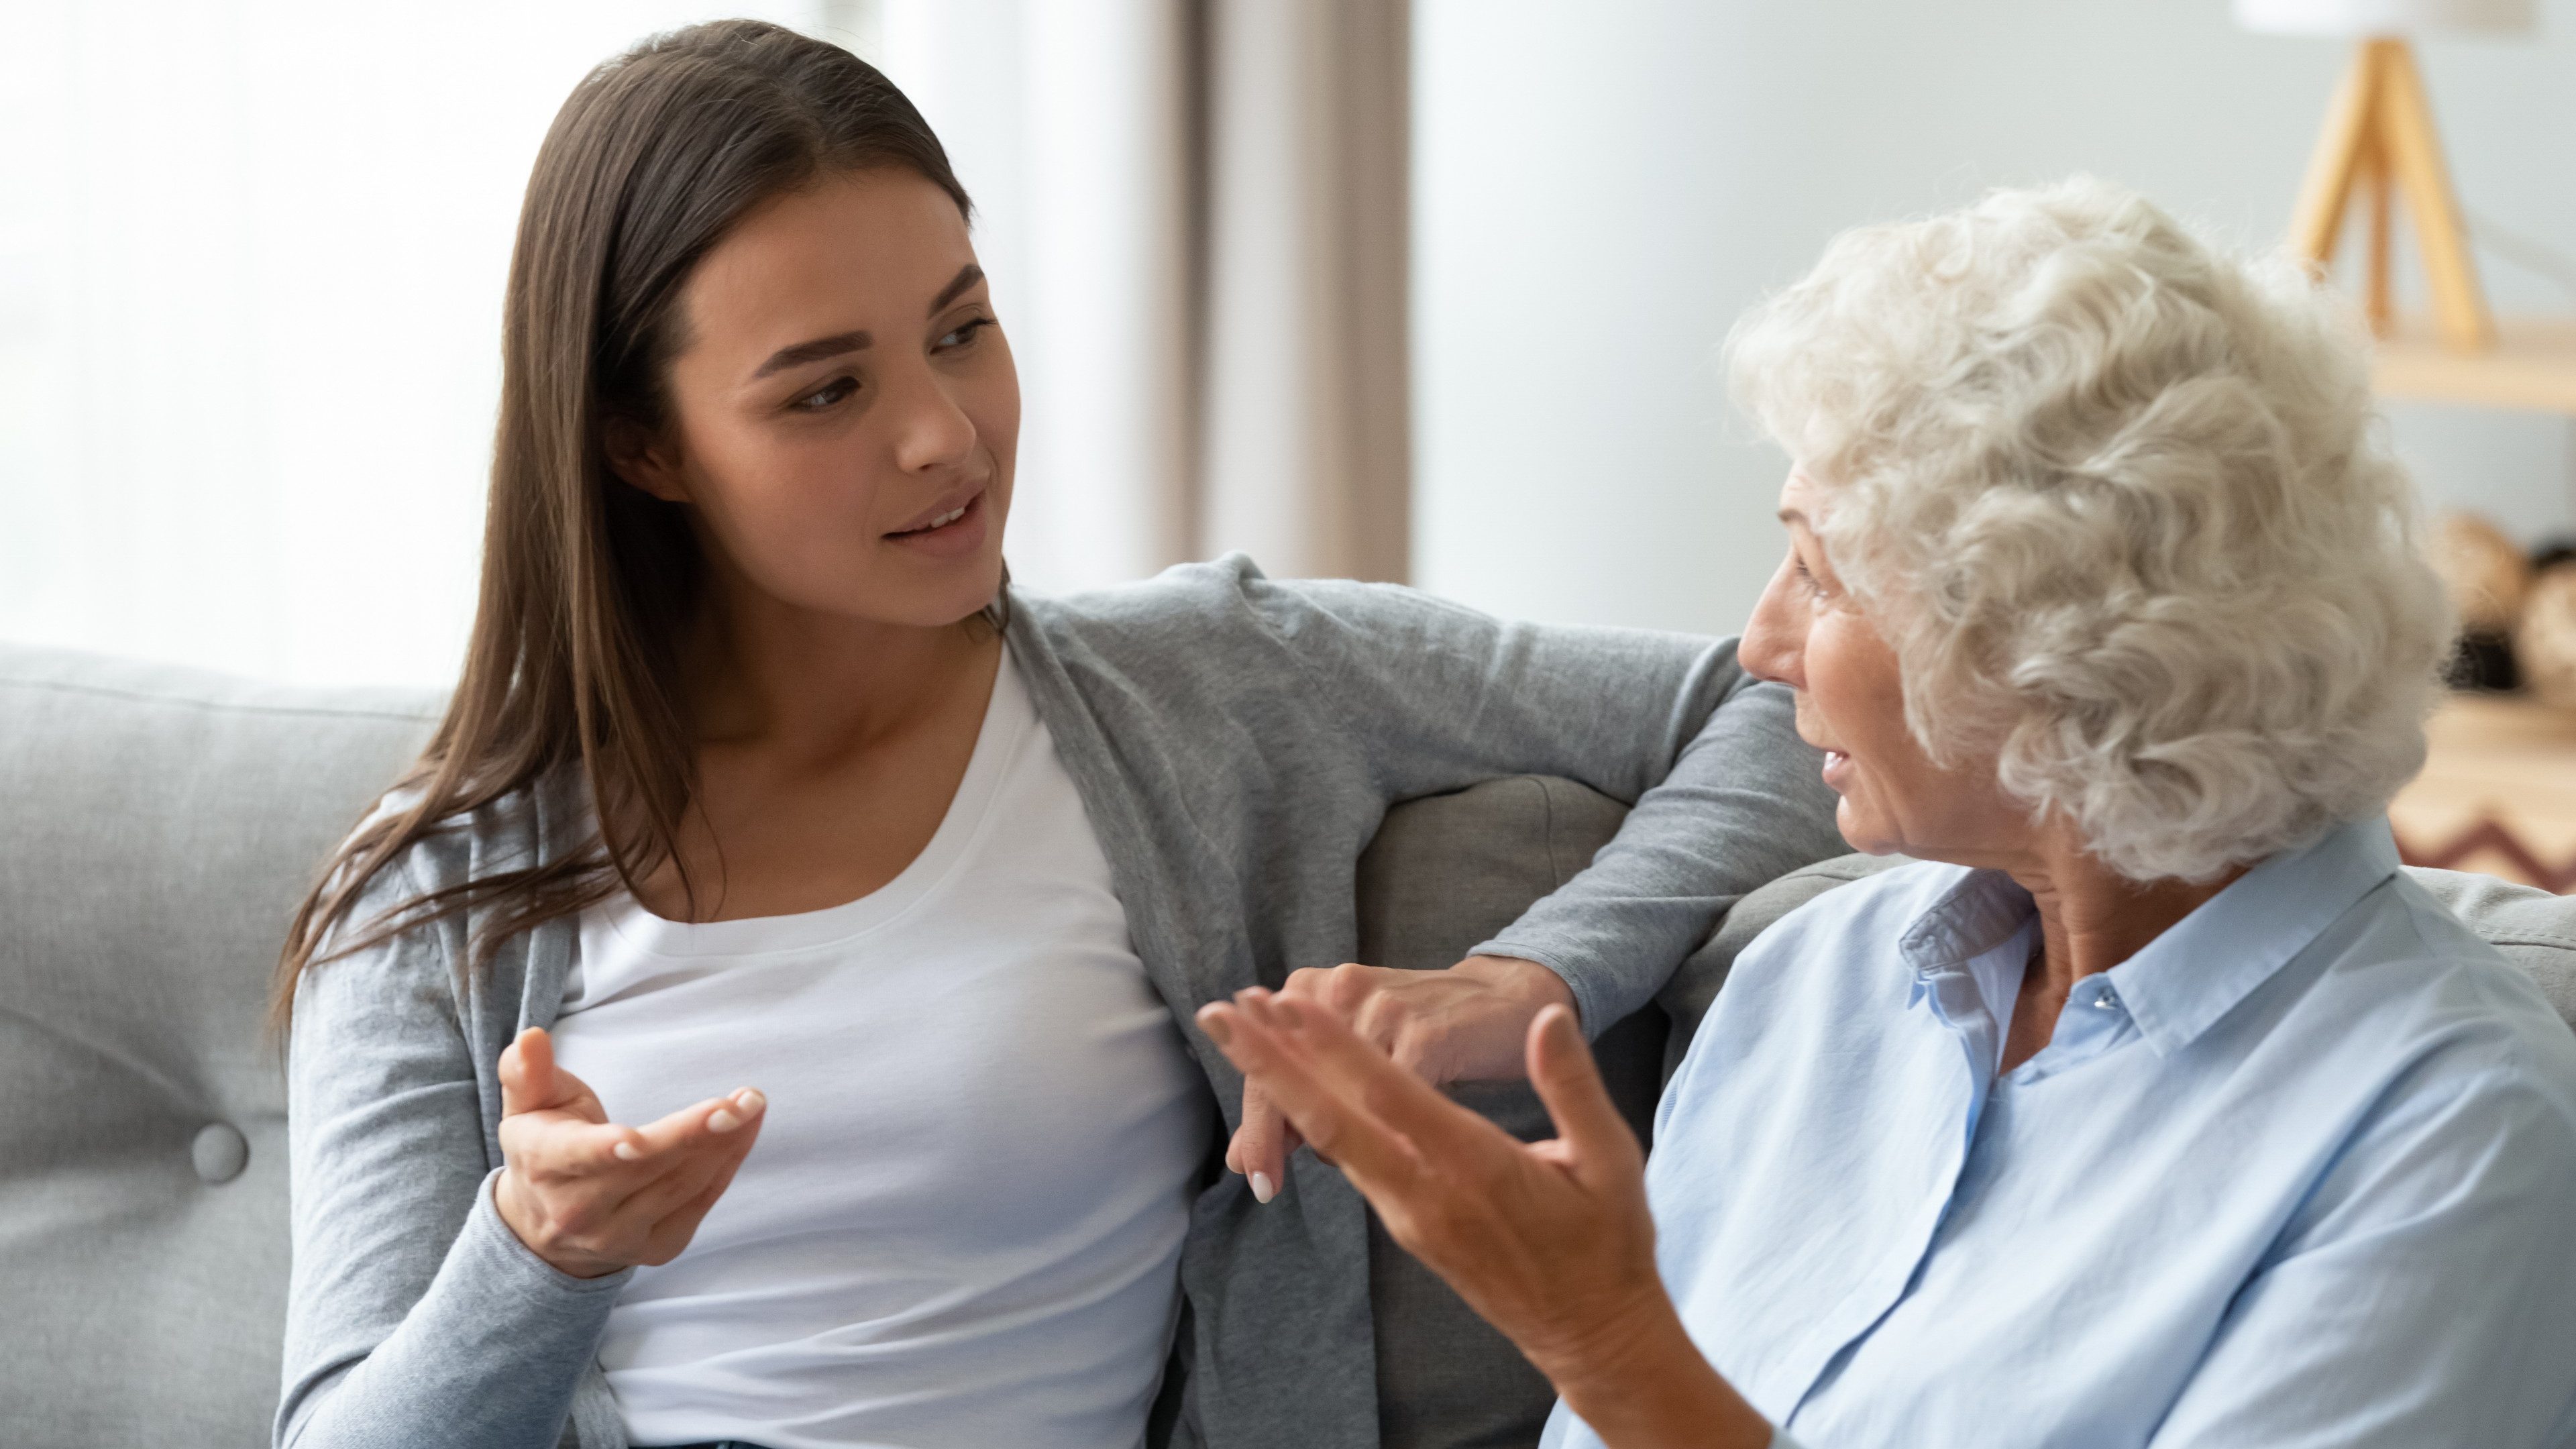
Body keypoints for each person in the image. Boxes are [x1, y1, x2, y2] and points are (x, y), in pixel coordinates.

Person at [270, 19, 1843, 1449]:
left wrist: (1539, 976)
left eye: (962, 330)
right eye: (824, 393)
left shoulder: (1209, 682)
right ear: (641, 448)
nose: (944, 435)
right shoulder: (434, 891)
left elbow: (1780, 696)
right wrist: (540, 1260)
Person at [1198, 177, 2576, 1448]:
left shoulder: (2451, 1128)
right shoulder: (1815, 982)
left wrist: (1603, 1338)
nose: (1759, 643)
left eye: (1824, 575)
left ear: (2062, 641)